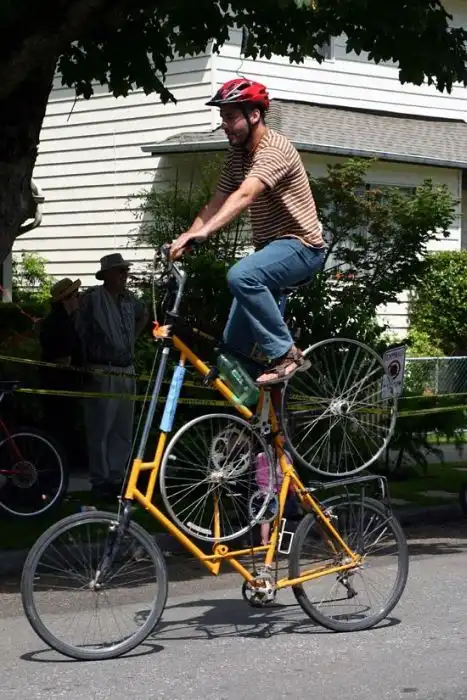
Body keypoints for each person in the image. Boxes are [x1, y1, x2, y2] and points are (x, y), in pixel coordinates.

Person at [170, 77, 326, 385]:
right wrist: (186, 237)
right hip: (271, 252)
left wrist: (206, 233)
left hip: (302, 247)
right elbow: (217, 201)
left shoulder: (274, 149)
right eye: (222, 117)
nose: (224, 124)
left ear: (254, 115)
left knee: (242, 276)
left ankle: (287, 355)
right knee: (232, 356)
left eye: (230, 117)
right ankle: (260, 412)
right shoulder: (237, 155)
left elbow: (245, 194)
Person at [76, 253, 149, 500]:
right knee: (100, 427)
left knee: (122, 427)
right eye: (119, 271)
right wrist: (85, 361)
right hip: (101, 368)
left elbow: (144, 314)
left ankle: (117, 478)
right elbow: (79, 329)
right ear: (106, 274)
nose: (124, 275)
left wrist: (131, 340)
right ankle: (100, 480)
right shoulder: (92, 298)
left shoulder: (129, 299)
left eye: (125, 271)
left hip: (126, 368)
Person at [39, 277, 83, 466]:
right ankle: (54, 469)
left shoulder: (65, 320)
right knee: (58, 430)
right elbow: (62, 358)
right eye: (76, 295)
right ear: (66, 299)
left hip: (64, 385)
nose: (79, 299)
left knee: (63, 429)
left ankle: (58, 467)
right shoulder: (58, 323)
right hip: (58, 385)